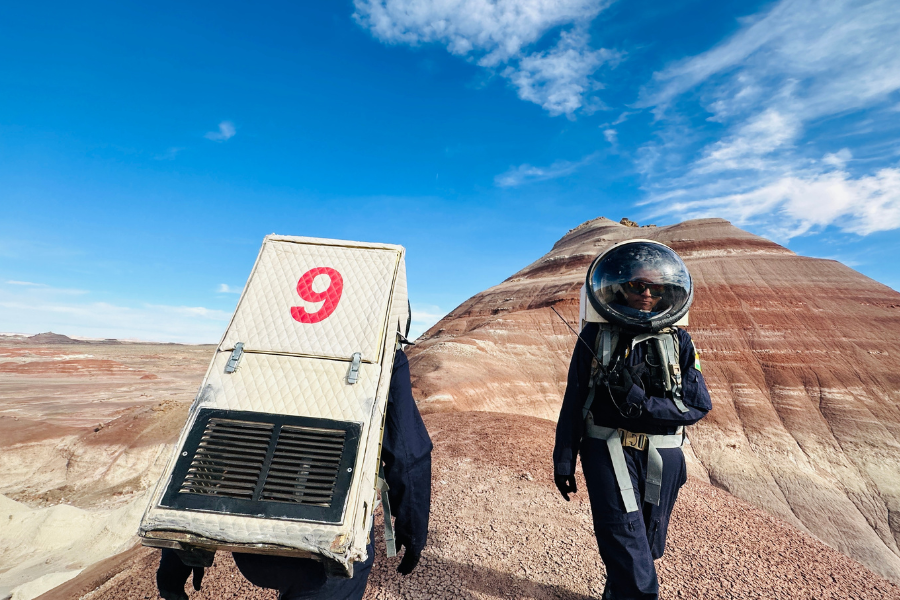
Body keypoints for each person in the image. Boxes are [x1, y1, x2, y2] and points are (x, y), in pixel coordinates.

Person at [157, 347, 432, 600]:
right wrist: (413, 532)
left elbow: (209, 448)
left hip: (251, 545)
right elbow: (409, 454)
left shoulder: (259, 342)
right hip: (327, 553)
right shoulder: (380, 348)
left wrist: (176, 560)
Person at [553, 240, 712, 600]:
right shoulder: (596, 336)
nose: (646, 293)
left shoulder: (680, 341)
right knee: (627, 545)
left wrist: (640, 401)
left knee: (647, 545)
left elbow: (697, 406)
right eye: (638, 285)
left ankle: (617, 592)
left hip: (663, 457)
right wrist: (564, 459)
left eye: (655, 287)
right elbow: (574, 400)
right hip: (608, 450)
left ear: (667, 292)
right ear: (622, 288)